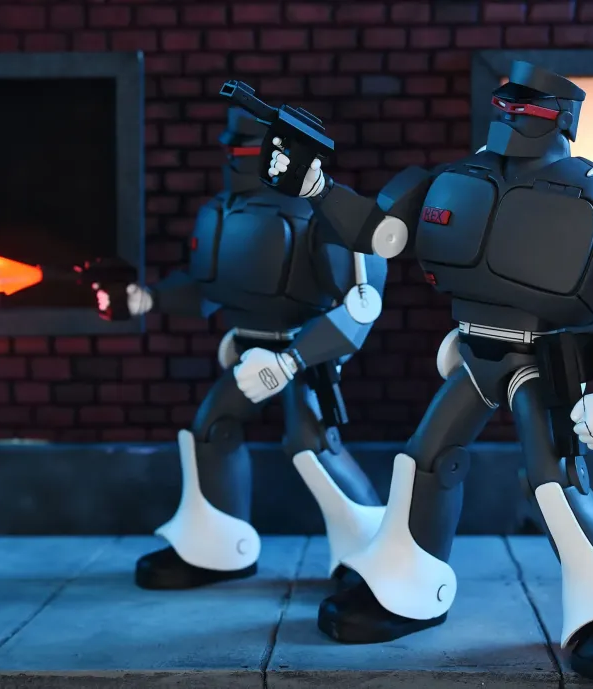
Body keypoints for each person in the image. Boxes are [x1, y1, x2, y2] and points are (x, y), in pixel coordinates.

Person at [257, 62, 593, 684]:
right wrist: (316, 188)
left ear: (562, 117)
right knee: (424, 460)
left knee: (555, 480)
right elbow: (379, 234)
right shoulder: (449, 181)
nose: (513, 113)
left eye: (528, 104)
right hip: (474, 352)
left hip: (545, 359)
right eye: (507, 101)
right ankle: (405, 582)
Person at [98, 107, 388, 591]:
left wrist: (292, 361)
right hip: (247, 350)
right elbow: (207, 286)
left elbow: (361, 307)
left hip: (304, 357)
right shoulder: (221, 211)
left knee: (312, 445)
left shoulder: (327, 214)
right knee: (212, 429)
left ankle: (371, 554)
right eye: (234, 148)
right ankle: (214, 548)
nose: (240, 158)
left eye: (251, 150)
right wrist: (148, 298)